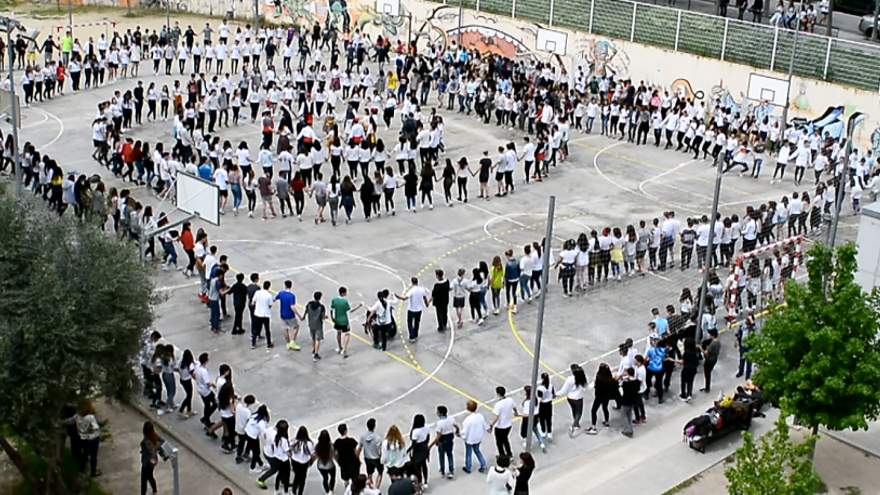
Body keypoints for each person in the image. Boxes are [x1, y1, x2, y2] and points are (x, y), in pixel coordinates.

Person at [61, 400, 101, 478]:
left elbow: (70, 421)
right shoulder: (90, 417)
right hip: (93, 439)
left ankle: (82, 470)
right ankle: (93, 472)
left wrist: (61, 422)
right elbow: (96, 427)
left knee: (85, 454)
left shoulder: (77, 416)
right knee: (93, 456)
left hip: (84, 439)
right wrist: (92, 430)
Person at [331, 286, 364, 358]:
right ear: (343, 293)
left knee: (338, 333)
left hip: (337, 319)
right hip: (344, 321)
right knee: (347, 333)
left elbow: (331, 309)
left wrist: (332, 318)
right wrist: (359, 306)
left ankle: (340, 347)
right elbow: (350, 310)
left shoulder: (334, 300)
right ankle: (345, 349)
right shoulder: (344, 301)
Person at [429, 405, 460, 479]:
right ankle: (451, 471)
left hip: (442, 439)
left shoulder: (440, 423)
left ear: (441, 413)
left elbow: (438, 435)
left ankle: (442, 470)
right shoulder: (451, 418)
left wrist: (431, 445)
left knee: (441, 455)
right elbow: (457, 426)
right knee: (450, 454)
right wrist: (457, 432)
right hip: (450, 438)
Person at [395, 277, 429, 343]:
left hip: (412, 309)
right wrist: (427, 304)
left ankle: (412, 336)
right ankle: (415, 334)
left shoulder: (411, 291)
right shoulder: (422, 289)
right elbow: (424, 298)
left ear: (412, 282)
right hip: (419, 309)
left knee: (410, 323)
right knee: (417, 322)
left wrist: (397, 296)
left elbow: (404, 298)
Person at [557, 364, 587, 435]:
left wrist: (556, 394)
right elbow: (587, 387)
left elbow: (564, 390)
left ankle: (576, 424)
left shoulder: (570, 379)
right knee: (579, 413)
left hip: (570, 398)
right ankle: (574, 424)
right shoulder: (582, 378)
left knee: (574, 410)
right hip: (578, 398)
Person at [460, 400, 488, 474]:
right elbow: (484, 424)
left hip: (470, 439)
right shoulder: (480, 416)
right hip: (478, 437)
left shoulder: (467, 420)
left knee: (468, 453)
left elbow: (465, 431)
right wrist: (487, 429)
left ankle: (468, 467)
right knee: (477, 450)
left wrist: (461, 436)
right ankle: (484, 465)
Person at [488, 386, 516, 458]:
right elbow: (514, 407)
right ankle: (509, 454)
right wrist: (516, 413)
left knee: (499, 442)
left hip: (500, 426)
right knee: (505, 440)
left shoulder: (498, 404)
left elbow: (497, 417)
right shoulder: (510, 400)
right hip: (508, 425)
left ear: (498, 394)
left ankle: (502, 456)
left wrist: (491, 425)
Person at [358, 418, 384, 488]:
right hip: (376, 458)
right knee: (380, 473)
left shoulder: (363, 436)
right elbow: (380, 451)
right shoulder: (378, 438)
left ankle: (370, 486)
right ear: (374, 426)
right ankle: (377, 486)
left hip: (367, 458)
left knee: (369, 473)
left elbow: (360, 448)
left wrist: (358, 458)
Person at [334, 423, 360, 491]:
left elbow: (336, 455)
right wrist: (359, 460)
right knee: (355, 479)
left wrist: (338, 461)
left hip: (343, 463)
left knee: (346, 480)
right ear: (346, 431)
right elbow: (356, 452)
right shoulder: (351, 441)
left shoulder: (337, 442)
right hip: (352, 463)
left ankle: (347, 492)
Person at [140, 421, 162, 495]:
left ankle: (144, 493)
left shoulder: (144, 442)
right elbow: (162, 441)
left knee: (144, 479)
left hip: (147, 462)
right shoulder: (154, 436)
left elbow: (149, 451)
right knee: (150, 476)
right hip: (153, 460)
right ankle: (154, 490)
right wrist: (157, 448)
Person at [306, 291, 327, 361]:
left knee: (313, 338)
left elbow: (306, 312)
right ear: (320, 298)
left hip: (311, 323)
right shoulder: (321, 307)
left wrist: (302, 317)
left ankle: (314, 349)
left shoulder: (309, 304)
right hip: (318, 324)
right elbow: (323, 317)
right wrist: (326, 317)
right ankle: (316, 354)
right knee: (318, 339)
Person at [620, 367, 640, 438]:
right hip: (633, 400)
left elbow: (623, 390)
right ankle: (630, 428)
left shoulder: (626, 383)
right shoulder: (637, 382)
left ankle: (627, 430)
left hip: (626, 400)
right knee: (629, 415)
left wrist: (624, 380)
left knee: (624, 415)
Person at [700, 328, 721, 393]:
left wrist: (700, 348)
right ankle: (707, 387)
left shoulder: (712, 344)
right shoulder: (718, 342)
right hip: (714, 358)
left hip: (709, 359)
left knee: (707, 374)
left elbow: (706, 353)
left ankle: (707, 388)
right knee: (708, 373)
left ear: (713, 335)